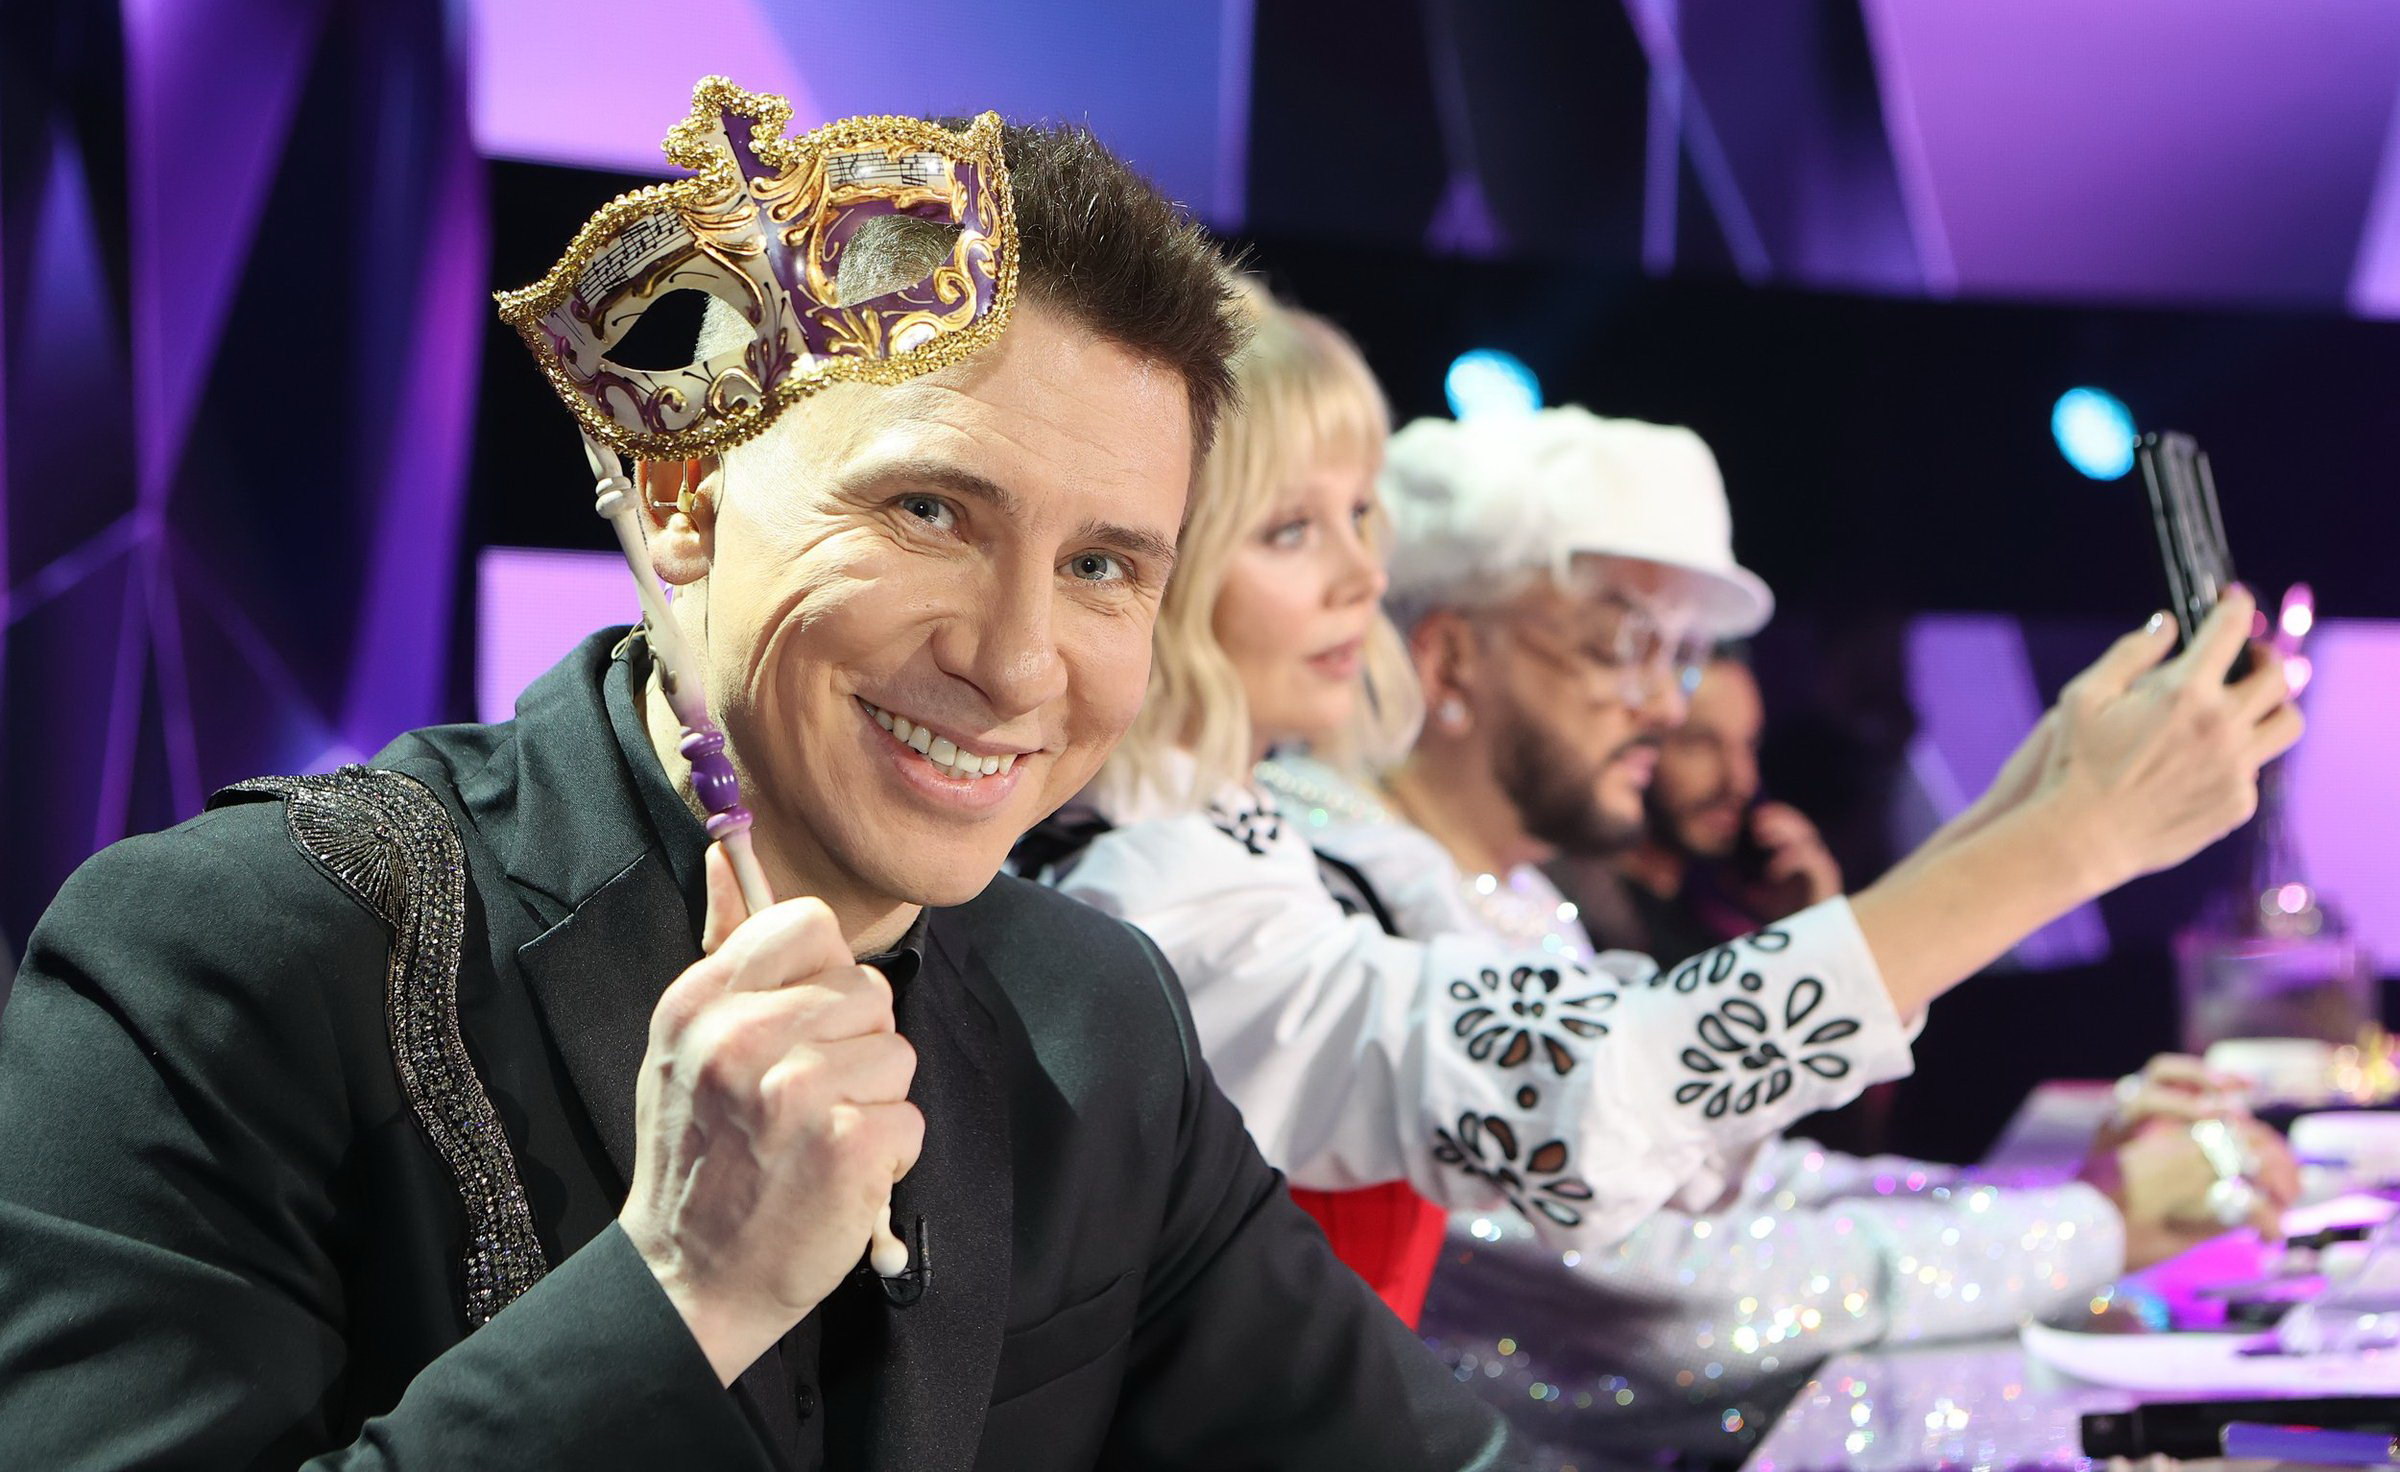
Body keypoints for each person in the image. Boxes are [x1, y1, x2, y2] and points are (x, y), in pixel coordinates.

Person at [0, 84, 1514, 1470]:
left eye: (1103, 566)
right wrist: (684, 1287)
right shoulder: (234, 952)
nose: (1016, 662)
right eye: (929, 511)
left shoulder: (1094, 1015)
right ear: (682, 495)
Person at [1034, 291, 2302, 1351]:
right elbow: (1614, 1177)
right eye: (1622, 641)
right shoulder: (1177, 885)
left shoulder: (1285, 852)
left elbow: (1711, 1171)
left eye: (1363, 517)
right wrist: (2071, 840)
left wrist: (2050, 801)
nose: (1367, 574)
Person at [1258, 403, 2296, 1463]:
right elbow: (1663, 1303)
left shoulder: (1487, 889)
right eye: (1622, 644)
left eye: (1682, 654)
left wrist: (2065, 1202)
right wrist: (2091, 1224)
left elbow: (1736, 1184)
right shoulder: (1328, 889)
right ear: (1447, 660)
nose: (1666, 705)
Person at [1554, 651, 1840, 968]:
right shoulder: (1561, 911)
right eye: (1701, 743)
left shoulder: (1720, 928)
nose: (1741, 781)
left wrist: (1804, 929)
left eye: (1750, 744)